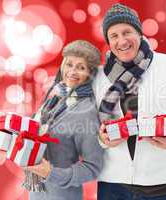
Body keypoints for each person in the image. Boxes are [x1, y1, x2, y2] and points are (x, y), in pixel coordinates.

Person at [93, 3, 166, 200]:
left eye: (127, 32)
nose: (122, 41)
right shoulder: (100, 76)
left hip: (159, 182)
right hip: (112, 184)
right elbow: (88, 123)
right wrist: (102, 139)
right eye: (114, 36)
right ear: (108, 42)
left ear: (139, 33)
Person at [24, 40, 104, 200]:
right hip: (36, 193)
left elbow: (93, 168)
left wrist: (51, 173)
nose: (72, 71)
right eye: (69, 64)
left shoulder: (85, 111)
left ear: (90, 74)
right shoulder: (53, 98)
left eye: (81, 67)